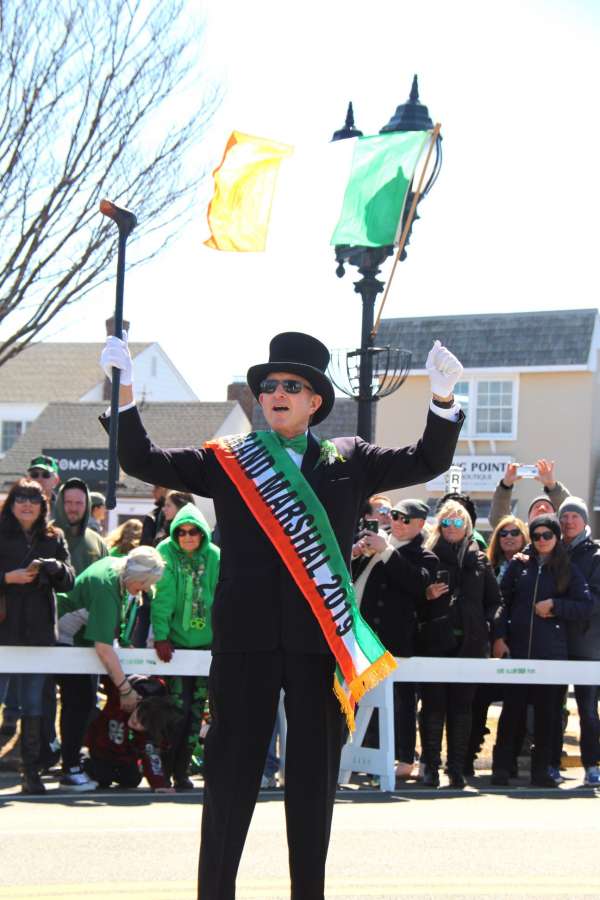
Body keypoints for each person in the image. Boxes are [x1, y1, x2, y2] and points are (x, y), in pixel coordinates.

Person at [100, 329, 464, 900]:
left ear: (315, 400)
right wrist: (121, 396)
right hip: (244, 639)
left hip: (320, 639)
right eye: (268, 385)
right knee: (228, 776)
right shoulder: (231, 458)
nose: (276, 393)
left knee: (313, 782)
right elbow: (144, 458)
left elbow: (427, 458)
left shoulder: (350, 459)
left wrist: (441, 400)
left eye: (290, 386)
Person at [491, 514, 592, 787]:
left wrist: (555, 606)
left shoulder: (568, 569)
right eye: (537, 536)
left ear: (557, 537)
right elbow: (500, 603)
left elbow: (586, 605)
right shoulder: (518, 566)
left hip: (552, 655)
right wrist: (499, 637)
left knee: (548, 715)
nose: (542, 540)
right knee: (512, 712)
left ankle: (542, 771)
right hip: (519, 651)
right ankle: (502, 768)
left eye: (548, 535)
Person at [352, 498, 438, 779]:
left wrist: (386, 551)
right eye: (396, 516)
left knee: (401, 702)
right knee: (360, 699)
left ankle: (403, 757)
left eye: (406, 519)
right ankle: (360, 755)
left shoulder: (423, 555)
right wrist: (355, 553)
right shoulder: (374, 544)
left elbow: (416, 583)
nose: (398, 523)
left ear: (420, 525)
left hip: (395, 639)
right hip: (361, 636)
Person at [0, 478, 75, 793]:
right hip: (4, 632)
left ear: (43, 505)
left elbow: (69, 581)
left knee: (34, 704)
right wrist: (7, 578)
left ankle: (29, 773)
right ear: (11, 503)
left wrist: (56, 566)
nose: (27, 504)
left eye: (33, 499)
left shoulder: (53, 537)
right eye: (20, 498)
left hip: (38, 634)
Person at [420, 500, 501, 788]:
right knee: (433, 704)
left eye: (458, 522)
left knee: (462, 706)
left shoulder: (479, 559)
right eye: (447, 522)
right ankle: (429, 765)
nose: (452, 527)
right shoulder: (427, 556)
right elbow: (411, 598)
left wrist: (489, 626)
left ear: (467, 526)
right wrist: (426, 594)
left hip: (470, 643)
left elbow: (495, 601)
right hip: (434, 641)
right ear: (439, 525)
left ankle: (455, 768)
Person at [152, 503, 220, 790]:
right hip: (176, 649)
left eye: (194, 532)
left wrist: (222, 638)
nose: (188, 537)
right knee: (176, 711)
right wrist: (161, 636)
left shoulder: (215, 556)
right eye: (182, 532)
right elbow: (162, 598)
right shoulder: (165, 553)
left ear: (202, 534)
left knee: (196, 714)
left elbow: (221, 598)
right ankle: (165, 768)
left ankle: (182, 771)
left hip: (207, 648)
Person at [52, 477, 108, 791]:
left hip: (90, 640)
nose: (73, 508)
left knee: (83, 703)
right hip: (50, 636)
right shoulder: (47, 536)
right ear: (60, 503)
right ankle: (54, 761)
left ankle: (71, 760)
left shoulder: (96, 542)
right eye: (68, 502)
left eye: (79, 503)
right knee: (44, 704)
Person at [464, 515, 530, 776]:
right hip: (484, 645)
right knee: (476, 705)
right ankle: (466, 758)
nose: (509, 537)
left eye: (515, 532)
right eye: (503, 533)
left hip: (518, 646)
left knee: (516, 709)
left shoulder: (530, 565)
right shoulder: (484, 564)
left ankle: (507, 763)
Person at [557, 498, 600, 786]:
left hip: (588, 645)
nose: (568, 521)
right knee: (550, 708)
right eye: (564, 516)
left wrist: (559, 606)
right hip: (556, 643)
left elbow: (595, 601)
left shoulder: (596, 555)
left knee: (587, 710)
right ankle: (548, 764)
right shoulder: (551, 548)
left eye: (574, 516)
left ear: (584, 521)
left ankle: (591, 766)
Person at [83, 675, 180, 793]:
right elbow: (110, 677)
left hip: (124, 757)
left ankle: (112, 771)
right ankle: (84, 760)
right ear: (140, 704)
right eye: (138, 715)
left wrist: (159, 784)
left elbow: (151, 756)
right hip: (101, 750)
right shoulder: (122, 698)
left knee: (132, 779)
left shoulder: (149, 734)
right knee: (102, 778)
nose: (136, 722)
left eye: (143, 724)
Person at [489, 460, 570, 529]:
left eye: (547, 507)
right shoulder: (518, 535)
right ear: (529, 518)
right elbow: (499, 521)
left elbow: (571, 511)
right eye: (536, 507)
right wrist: (505, 485)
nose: (542, 508)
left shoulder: (564, 537)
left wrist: (552, 485)